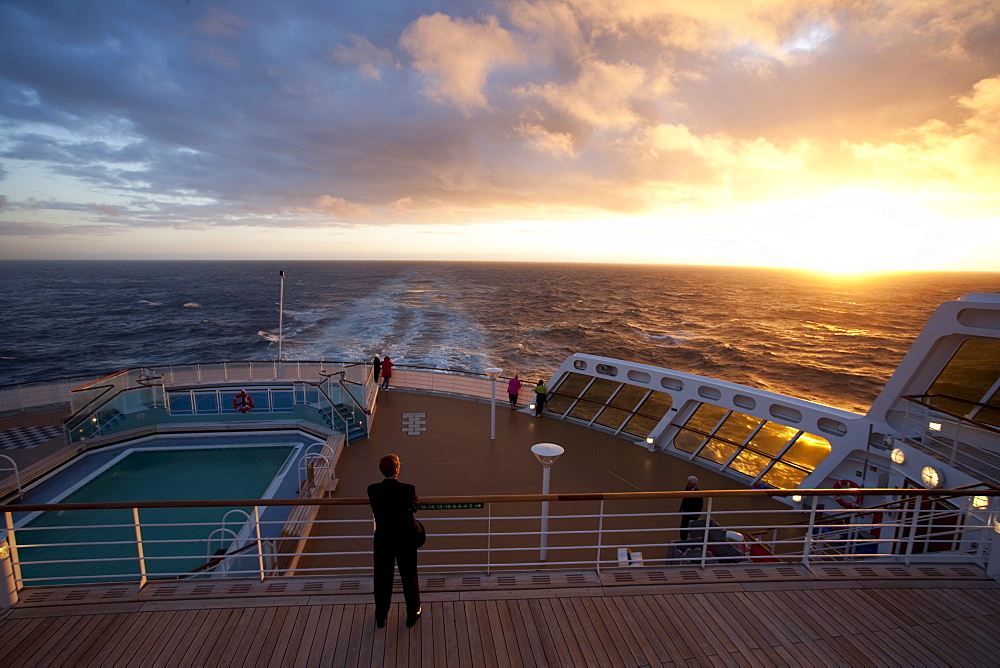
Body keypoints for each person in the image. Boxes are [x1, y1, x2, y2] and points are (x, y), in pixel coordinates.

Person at [367, 454, 422, 628]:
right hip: (405, 538)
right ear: (397, 470)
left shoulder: (373, 490)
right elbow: (415, 507)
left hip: (383, 538)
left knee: (382, 577)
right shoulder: (408, 489)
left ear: (381, 470)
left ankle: (381, 615)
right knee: (409, 575)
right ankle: (413, 612)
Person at [679, 475, 704, 541]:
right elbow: (684, 499)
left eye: (689, 483)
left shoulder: (698, 494)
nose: (687, 485)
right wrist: (681, 508)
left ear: (694, 484)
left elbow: (699, 506)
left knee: (691, 528)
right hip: (686, 512)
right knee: (683, 528)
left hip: (693, 514)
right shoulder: (687, 489)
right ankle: (683, 540)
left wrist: (696, 516)